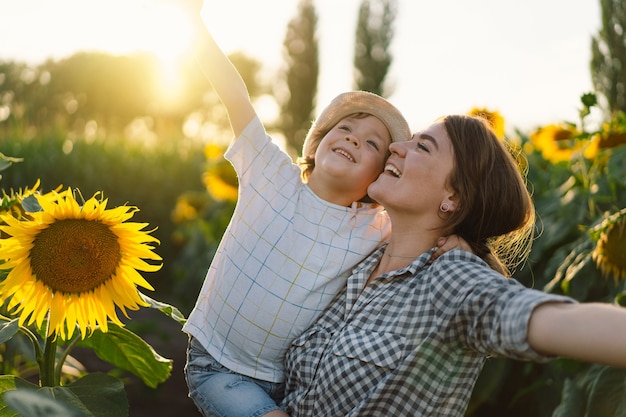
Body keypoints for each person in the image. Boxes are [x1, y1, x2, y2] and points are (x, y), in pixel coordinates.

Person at [179, 2, 468, 417]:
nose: (353, 139)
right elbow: (233, 94)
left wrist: (452, 238)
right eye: (345, 128)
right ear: (316, 145)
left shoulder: (373, 227)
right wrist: (193, 22)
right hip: (219, 366)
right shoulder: (271, 175)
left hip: (297, 380)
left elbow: (422, 225)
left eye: (372, 143)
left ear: (379, 174)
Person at [280, 114, 626, 417]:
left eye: (423, 147)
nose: (397, 147)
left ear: (454, 198)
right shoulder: (355, 257)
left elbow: (539, 319)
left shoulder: (450, 277)